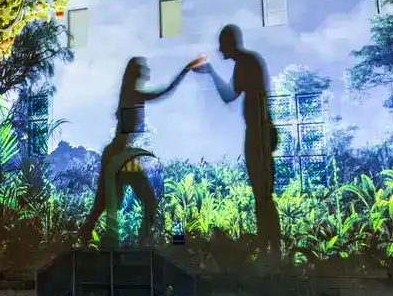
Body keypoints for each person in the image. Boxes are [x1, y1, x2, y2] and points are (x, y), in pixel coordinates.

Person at [81, 55, 206, 246]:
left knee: (102, 204)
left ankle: (84, 239)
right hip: (122, 157)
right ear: (136, 72)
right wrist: (185, 70)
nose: (147, 71)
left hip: (118, 155)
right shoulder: (133, 94)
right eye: (143, 68)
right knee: (147, 201)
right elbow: (165, 92)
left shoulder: (129, 94)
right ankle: (143, 242)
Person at [200, 24, 282, 249]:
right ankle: (270, 246)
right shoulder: (248, 61)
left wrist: (210, 72)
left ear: (230, 43)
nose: (219, 49)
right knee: (262, 195)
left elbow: (229, 95)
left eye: (222, 43)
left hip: (258, 133)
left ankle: (272, 249)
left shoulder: (246, 63)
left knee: (262, 195)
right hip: (260, 132)